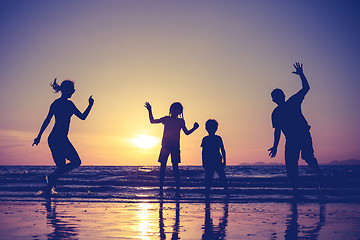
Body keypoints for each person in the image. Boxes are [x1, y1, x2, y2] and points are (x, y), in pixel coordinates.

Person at [33, 78, 94, 196]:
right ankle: (50, 182)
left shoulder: (56, 103)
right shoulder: (68, 104)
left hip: (54, 138)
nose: (74, 91)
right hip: (59, 139)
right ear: (67, 90)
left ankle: (47, 195)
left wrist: (39, 136)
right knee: (76, 162)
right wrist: (90, 105)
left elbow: (47, 121)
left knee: (60, 168)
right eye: (72, 89)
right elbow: (83, 117)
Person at [268, 63, 322, 191]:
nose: (277, 99)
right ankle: (295, 190)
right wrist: (275, 146)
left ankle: (320, 177)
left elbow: (306, 88)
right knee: (291, 165)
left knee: (307, 157)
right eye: (275, 98)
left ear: (283, 96)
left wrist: (301, 75)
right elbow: (278, 130)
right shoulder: (276, 113)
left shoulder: (293, 101)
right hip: (291, 139)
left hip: (303, 134)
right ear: (274, 100)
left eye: (278, 96)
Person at [145, 102, 199, 197]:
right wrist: (150, 110)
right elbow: (152, 121)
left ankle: (178, 192)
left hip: (175, 147)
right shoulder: (166, 119)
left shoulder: (180, 121)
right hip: (165, 146)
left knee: (175, 170)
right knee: (162, 169)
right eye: (174, 109)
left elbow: (186, 132)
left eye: (177, 109)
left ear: (180, 111)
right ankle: (161, 191)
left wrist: (194, 128)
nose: (175, 111)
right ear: (171, 110)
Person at [201, 119, 228, 193]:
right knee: (210, 178)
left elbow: (222, 150)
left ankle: (225, 192)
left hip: (215, 161)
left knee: (220, 177)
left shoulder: (215, 138)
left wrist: (224, 161)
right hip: (213, 161)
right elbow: (203, 152)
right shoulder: (207, 139)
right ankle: (225, 192)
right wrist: (224, 161)